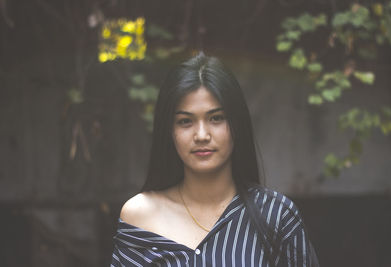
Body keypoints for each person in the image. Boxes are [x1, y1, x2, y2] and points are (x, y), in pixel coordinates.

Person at [111, 52, 319, 267]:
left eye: (216, 118)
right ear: (169, 131)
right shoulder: (141, 215)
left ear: (236, 124)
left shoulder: (276, 215)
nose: (202, 135)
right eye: (185, 121)